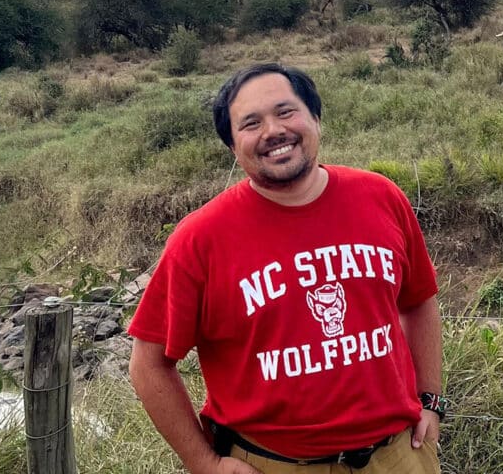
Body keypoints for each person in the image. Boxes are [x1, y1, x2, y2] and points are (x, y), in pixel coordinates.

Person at [128, 63, 445, 474]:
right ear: (232, 145)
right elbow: (148, 364)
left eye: (286, 112)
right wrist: (204, 463)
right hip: (273, 464)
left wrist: (430, 399)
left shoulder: (382, 197)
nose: (273, 131)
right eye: (251, 123)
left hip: (399, 455)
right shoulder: (200, 239)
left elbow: (418, 301)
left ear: (315, 118)